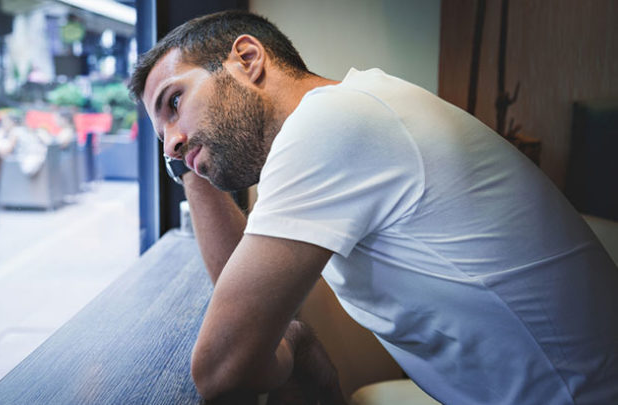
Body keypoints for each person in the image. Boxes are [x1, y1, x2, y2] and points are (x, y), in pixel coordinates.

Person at [129, 10, 618, 405]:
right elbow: (244, 293)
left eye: (174, 102)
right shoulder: (348, 111)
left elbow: (220, 368)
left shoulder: (332, 123)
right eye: (160, 139)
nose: (170, 142)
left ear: (248, 58)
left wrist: (293, 341)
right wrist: (187, 162)